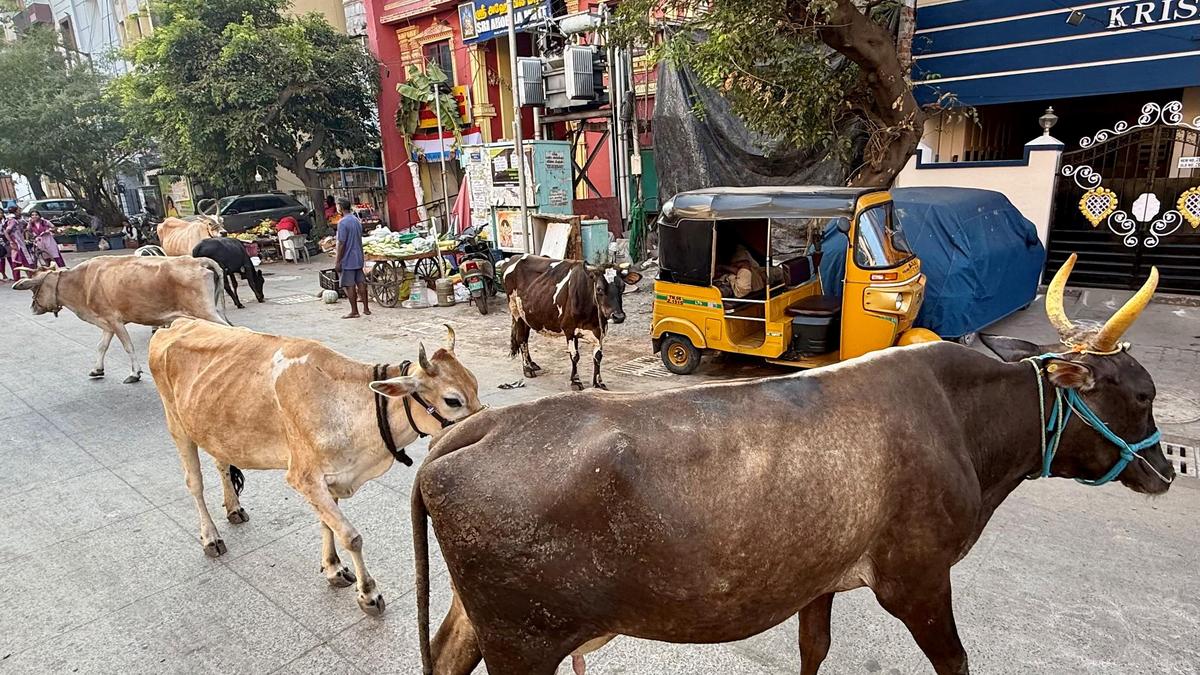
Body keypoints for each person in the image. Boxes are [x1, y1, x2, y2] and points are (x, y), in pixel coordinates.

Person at [334, 197, 369, 318]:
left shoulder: (342, 222)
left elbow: (341, 243)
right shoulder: (356, 220)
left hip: (348, 258)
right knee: (361, 282)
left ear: (341, 207)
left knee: (349, 285)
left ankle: (354, 311)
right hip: (358, 256)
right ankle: (366, 308)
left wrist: (338, 261)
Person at [2, 207, 33, 282]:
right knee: (23, 260)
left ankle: (18, 277)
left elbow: (26, 228)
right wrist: (11, 242)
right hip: (17, 243)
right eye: (19, 211)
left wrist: (29, 223)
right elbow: (6, 231)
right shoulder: (12, 221)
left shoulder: (17, 220)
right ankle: (29, 276)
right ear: (15, 212)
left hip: (19, 242)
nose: (20, 212)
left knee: (16, 260)